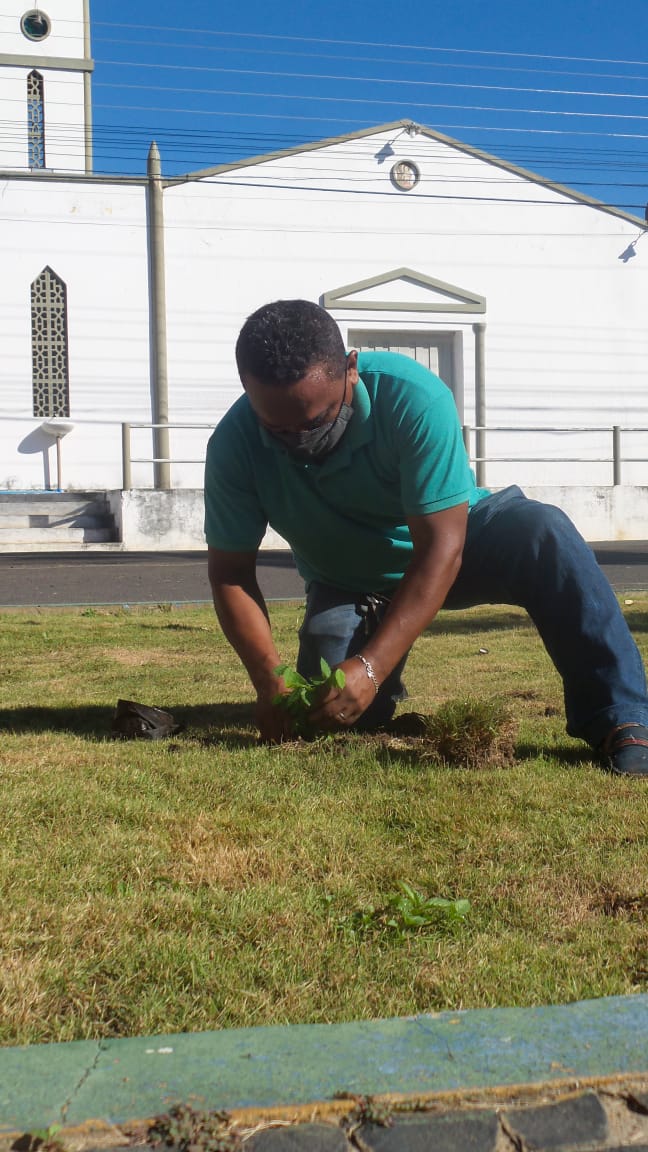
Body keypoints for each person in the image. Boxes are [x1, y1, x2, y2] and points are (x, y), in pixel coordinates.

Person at [205, 299, 648, 777]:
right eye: (278, 428)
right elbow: (231, 573)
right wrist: (270, 680)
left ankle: (622, 718)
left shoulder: (412, 397)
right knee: (328, 713)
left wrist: (372, 665)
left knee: (544, 532)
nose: (299, 440)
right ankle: (378, 702)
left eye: (316, 421)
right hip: (351, 581)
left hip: (456, 544)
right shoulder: (234, 444)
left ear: (351, 370)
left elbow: (440, 547)